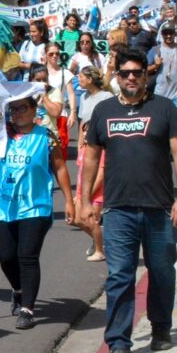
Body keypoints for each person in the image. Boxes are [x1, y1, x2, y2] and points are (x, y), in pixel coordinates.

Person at [79, 49, 177, 353]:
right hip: (118, 210)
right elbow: (90, 159)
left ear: (146, 76)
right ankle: (118, 342)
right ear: (117, 76)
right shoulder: (103, 111)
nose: (131, 78)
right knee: (119, 276)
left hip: (159, 208)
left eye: (137, 73)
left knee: (162, 272)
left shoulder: (164, 108)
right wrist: (85, 200)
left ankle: (160, 327)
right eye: (126, 73)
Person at [0, 86, 77, 330]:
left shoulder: (46, 137)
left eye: (22, 108)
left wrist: (69, 200)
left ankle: (27, 309)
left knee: (27, 255)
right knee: (6, 257)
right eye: (13, 109)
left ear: (34, 110)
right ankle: (18, 289)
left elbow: (59, 167)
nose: (17, 113)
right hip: (4, 207)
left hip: (35, 206)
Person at [74, 66, 110, 262]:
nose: (78, 79)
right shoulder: (84, 98)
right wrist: (80, 143)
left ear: (91, 78)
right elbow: (82, 123)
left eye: (81, 76)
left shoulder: (105, 97)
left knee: (90, 216)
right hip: (86, 147)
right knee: (78, 219)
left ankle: (101, 246)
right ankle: (100, 241)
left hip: (101, 148)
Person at [146, 26, 177, 105]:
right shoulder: (156, 50)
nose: (168, 36)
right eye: (165, 33)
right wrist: (155, 66)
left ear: (175, 34)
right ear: (162, 35)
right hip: (160, 93)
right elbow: (144, 70)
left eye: (171, 33)